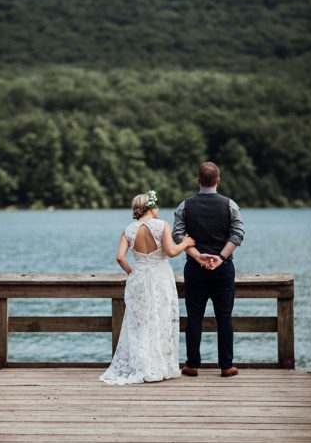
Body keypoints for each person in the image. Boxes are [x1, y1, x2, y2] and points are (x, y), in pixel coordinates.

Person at [102, 191, 195, 385]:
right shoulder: (162, 226)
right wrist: (185, 243)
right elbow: (170, 251)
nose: (158, 208)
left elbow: (119, 257)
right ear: (150, 208)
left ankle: (142, 365)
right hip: (160, 278)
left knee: (140, 322)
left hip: (139, 278)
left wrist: (131, 272)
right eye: (156, 205)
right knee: (160, 319)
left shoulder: (128, 229)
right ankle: (159, 367)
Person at [173, 162, 245, 377]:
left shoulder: (184, 206)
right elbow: (238, 234)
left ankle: (193, 365)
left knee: (194, 316)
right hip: (223, 269)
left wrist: (197, 256)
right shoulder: (230, 205)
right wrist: (221, 257)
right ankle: (226, 366)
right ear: (218, 180)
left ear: (198, 181)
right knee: (224, 316)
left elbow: (178, 235)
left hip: (195, 269)